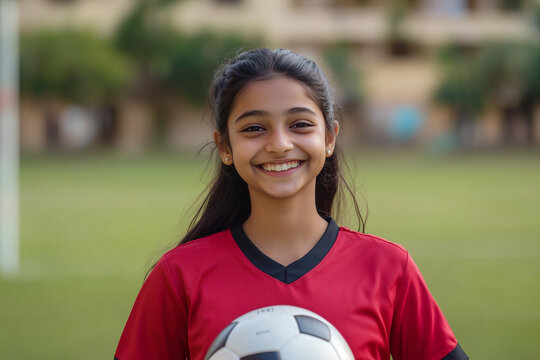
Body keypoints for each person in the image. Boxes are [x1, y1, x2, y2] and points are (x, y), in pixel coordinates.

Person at [114, 48, 468, 360]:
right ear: (224, 147)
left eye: (299, 124)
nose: (280, 144)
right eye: (254, 128)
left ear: (329, 138)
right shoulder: (179, 276)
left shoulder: (389, 269)